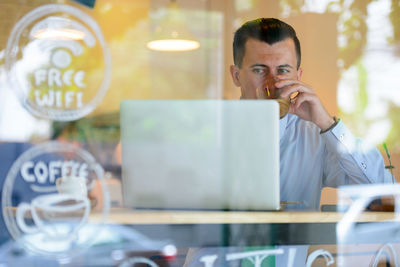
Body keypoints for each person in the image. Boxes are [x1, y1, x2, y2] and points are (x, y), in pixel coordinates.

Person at [229, 18, 392, 210]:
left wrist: (328, 124)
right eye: (259, 70)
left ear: (298, 77)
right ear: (236, 76)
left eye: (283, 70)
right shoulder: (213, 131)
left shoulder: (314, 137)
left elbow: (382, 192)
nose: (273, 83)